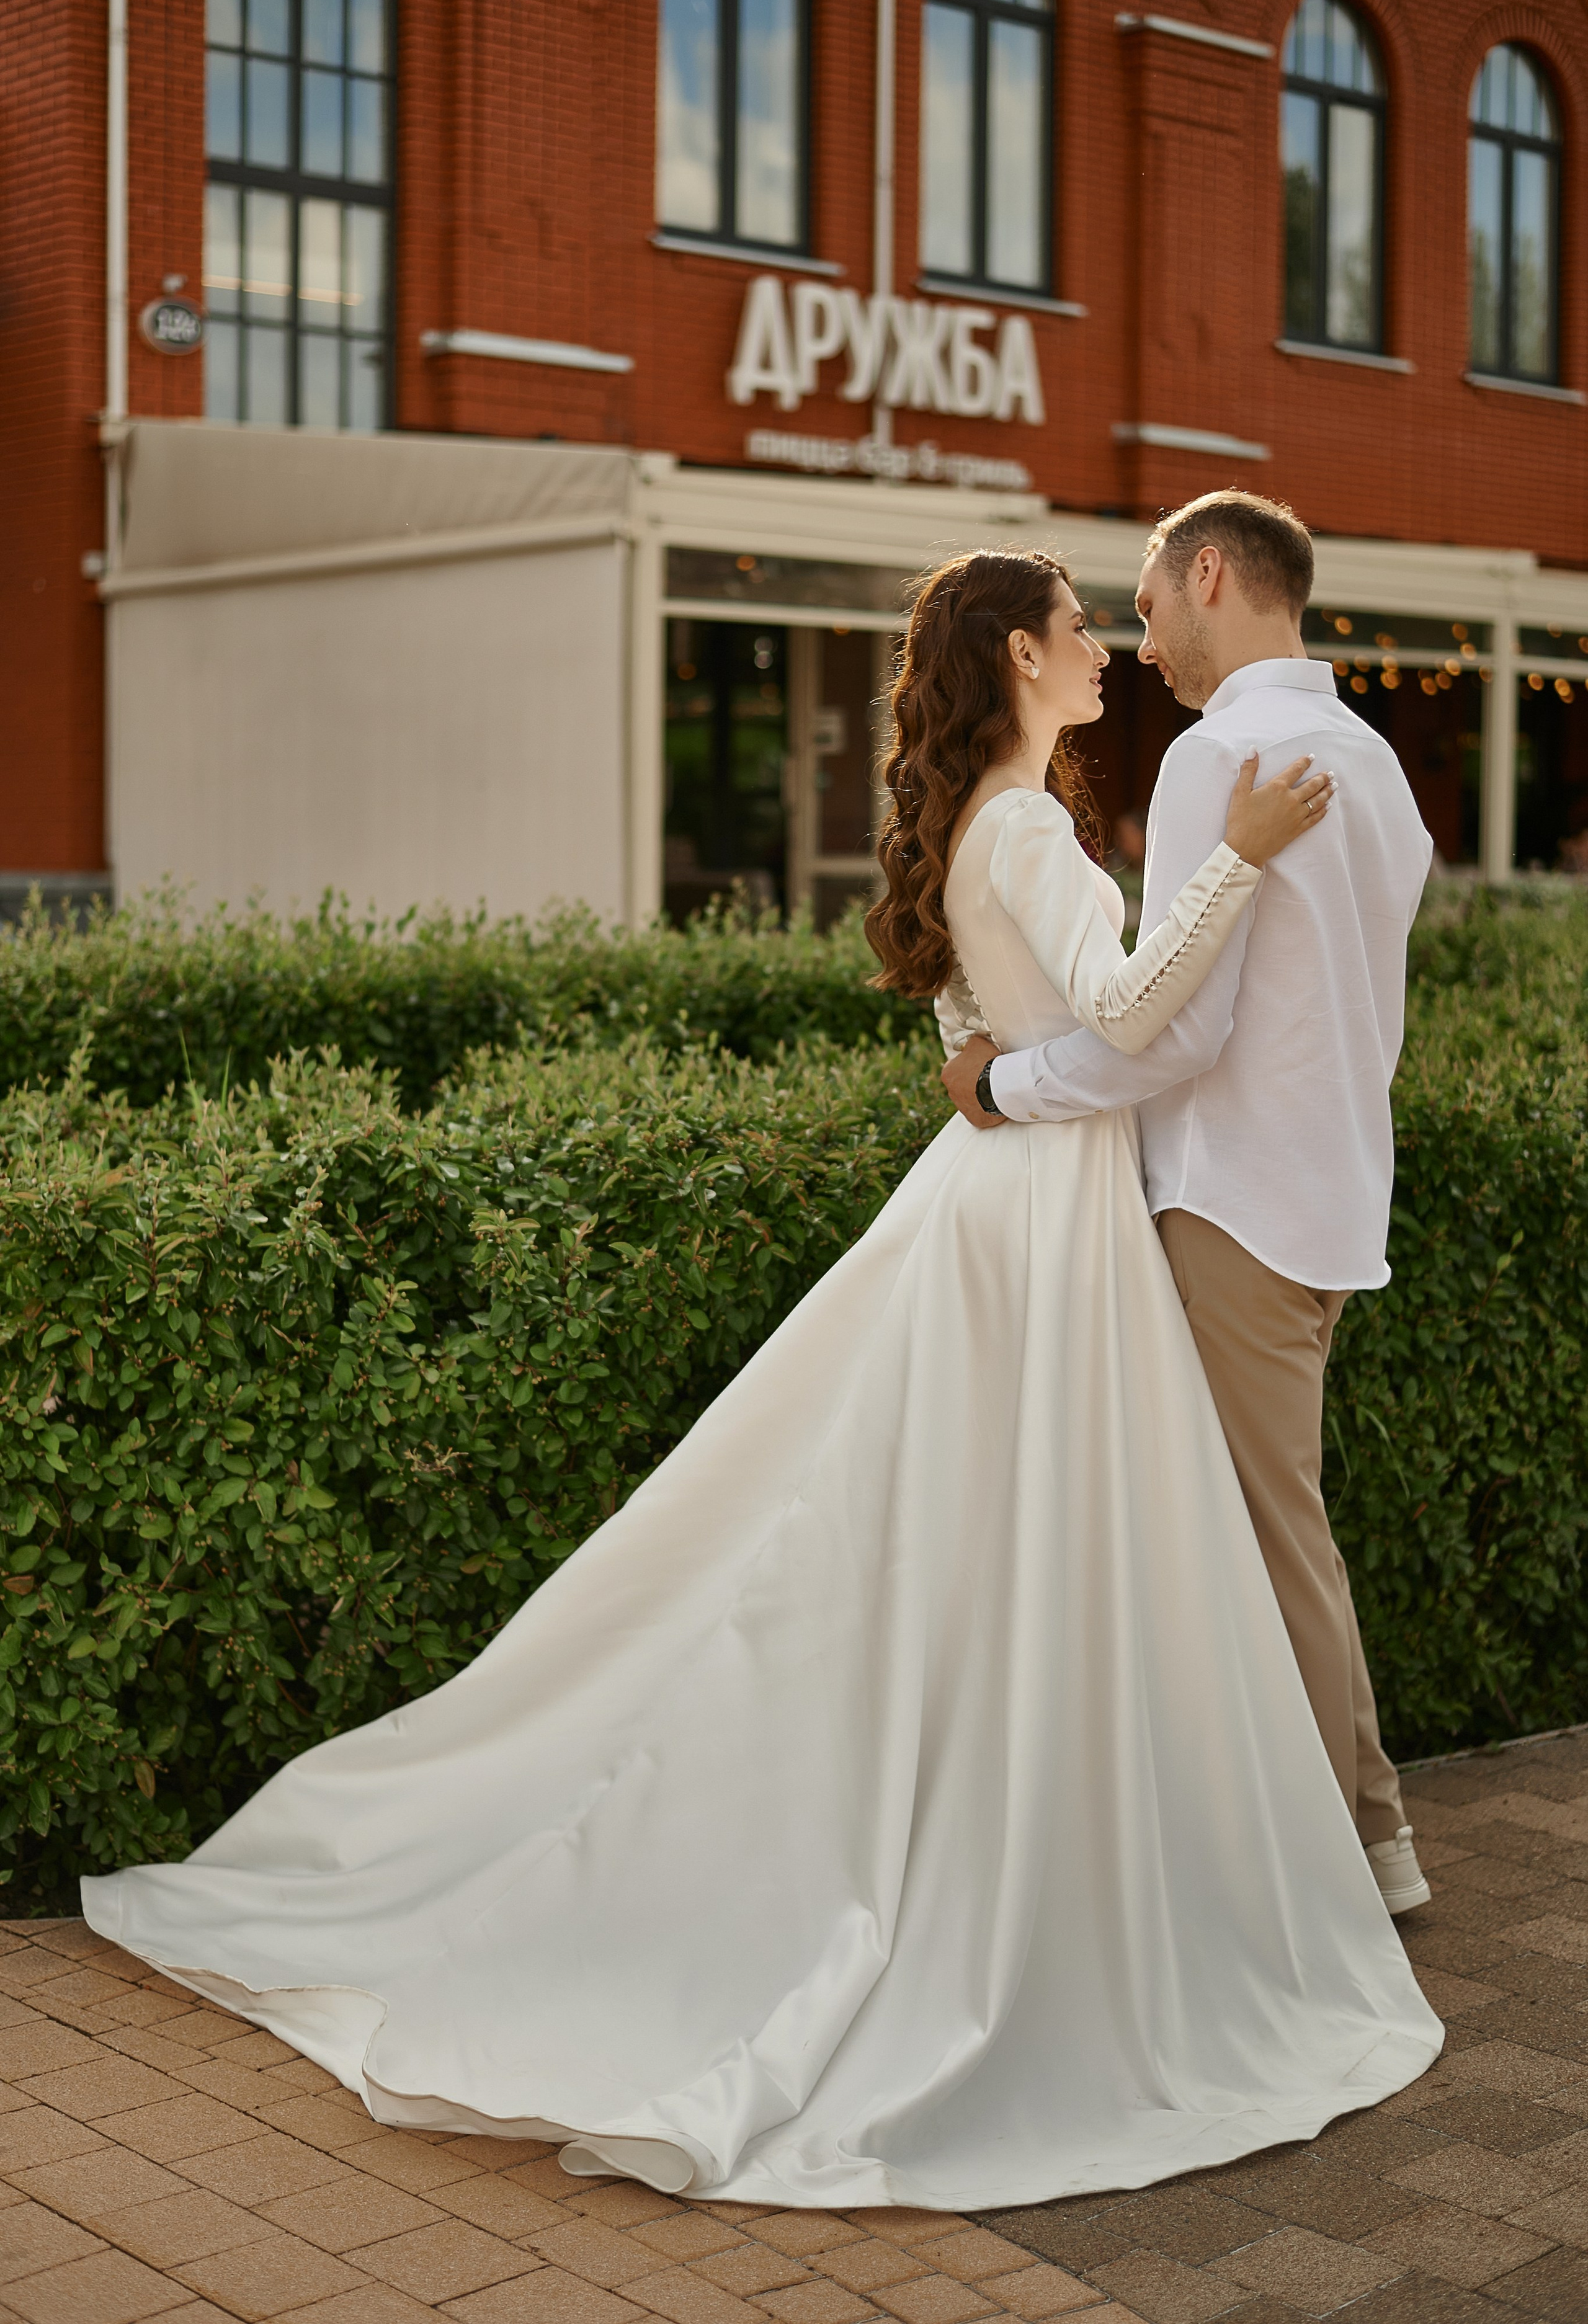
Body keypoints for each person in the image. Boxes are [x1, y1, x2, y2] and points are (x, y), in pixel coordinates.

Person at [81, 548, 1442, 2213]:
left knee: (993, 1557)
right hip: (1040, 1226)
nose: (1103, 645)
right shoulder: (1023, 824)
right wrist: (1228, 867)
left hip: (1025, 1203)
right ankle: (1010, 1871)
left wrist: (1001, 1067)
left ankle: (1037, 1843)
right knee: (1010, 1553)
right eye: (1080, 626)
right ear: (1019, 653)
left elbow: (974, 1017)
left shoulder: (1006, 817)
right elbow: (1137, 1016)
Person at [942, 493, 1435, 1919]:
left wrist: (999, 1087)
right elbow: (1361, 1011)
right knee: (1260, 1526)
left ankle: (1361, 1842)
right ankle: (1321, 1834)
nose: (1137, 634)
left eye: (1147, 599)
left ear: (1208, 574)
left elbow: (1168, 1029)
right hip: (1332, 1195)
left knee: (1264, 1539)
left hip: (1231, 1206)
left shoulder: (1224, 756)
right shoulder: (1374, 765)